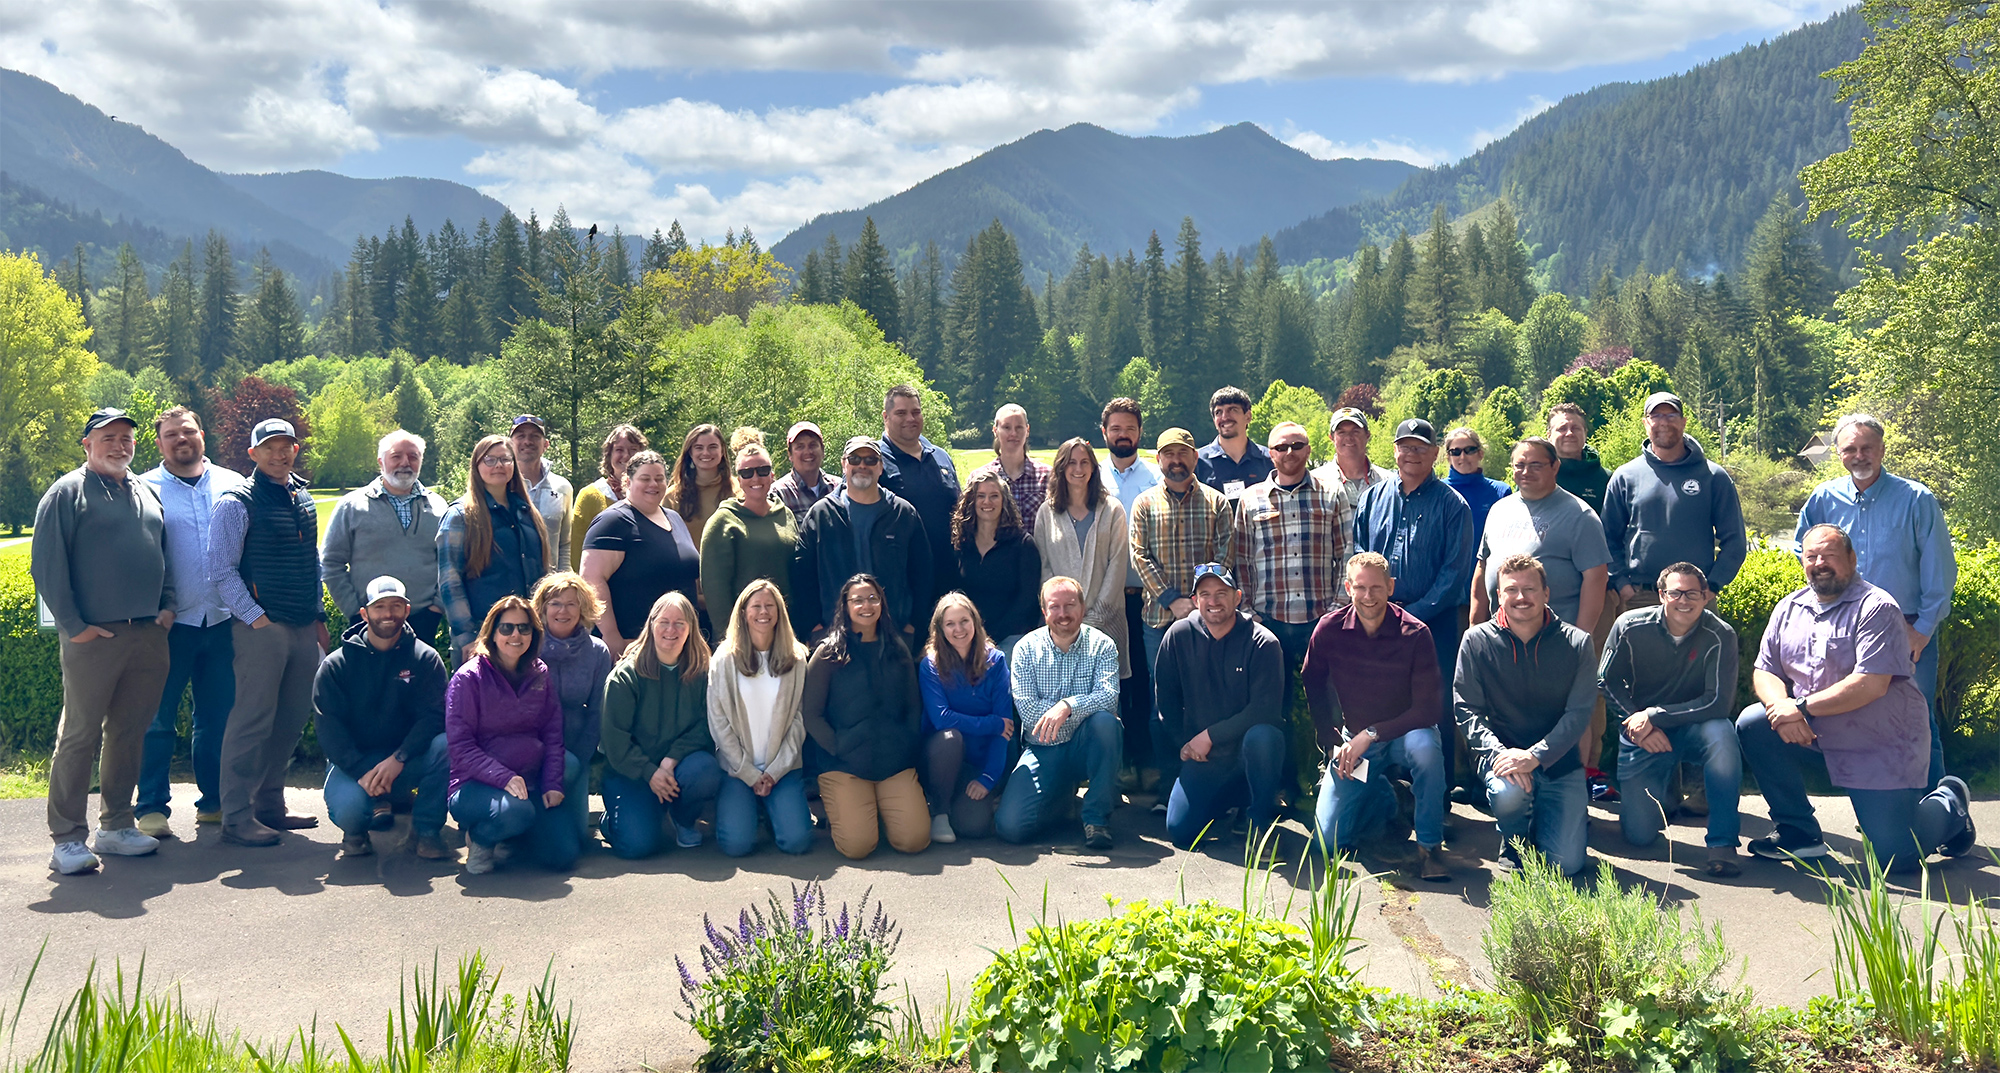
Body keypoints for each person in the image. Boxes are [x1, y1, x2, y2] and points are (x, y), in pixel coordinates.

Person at [1735, 525, 1975, 872]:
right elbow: (1766, 670)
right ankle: (1798, 833)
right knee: (1754, 722)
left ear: (1852, 558)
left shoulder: (1877, 608)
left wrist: (1799, 707)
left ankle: (1950, 801)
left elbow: (1871, 683)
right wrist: (1779, 708)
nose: (1820, 563)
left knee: (1896, 859)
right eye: (1812, 556)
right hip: (1817, 734)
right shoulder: (1789, 608)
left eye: (1830, 555)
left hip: (1879, 746)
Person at [34, 407, 175, 874]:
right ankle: (67, 839)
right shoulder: (66, 493)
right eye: (108, 437)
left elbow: (164, 555)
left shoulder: (146, 491)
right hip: (94, 637)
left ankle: (115, 826)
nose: (120, 445)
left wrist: (167, 605)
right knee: (79, 735)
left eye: (127, 438)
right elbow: (47, 567)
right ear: (87, 444)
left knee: (129, 732)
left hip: (147, 635)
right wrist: (74, 626)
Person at [1796, 414, 1955, 791]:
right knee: (1859, 716)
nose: (1859, 455)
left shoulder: (1916, 499)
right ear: (1838, 454)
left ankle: (1939, 809)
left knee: (1916, 719)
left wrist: (1923, 630)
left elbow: (1940, 570)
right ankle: (1879, 807)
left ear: (1882, 449)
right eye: (1850, 449)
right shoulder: (1823, 498)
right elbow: (1803, 549)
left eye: (1867, 447)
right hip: (1846, 626)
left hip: (1907, 629)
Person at [1600, 392, 1746, 801]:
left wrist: (1710, 588)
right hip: (1640, 598)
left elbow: (1734, 541)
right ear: (1645, 424)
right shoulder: (1626, 476)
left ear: (1683, 421)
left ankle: (1697, 782)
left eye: (1671, 414)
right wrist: (1623, 583)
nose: (1663, 422)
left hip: (1696, 599)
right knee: (1643, 688)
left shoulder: (1713, 476)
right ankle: (1656, 781)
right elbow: (1607, 537)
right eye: (1654, 416)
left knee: (1694, 687)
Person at [211, 417, 328, 847]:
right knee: (252, 721)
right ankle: (236, 816)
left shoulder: (303, 496)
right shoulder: (236, 501)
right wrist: (254, 617)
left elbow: (312, 565)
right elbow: (220, 570)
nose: (280, 454)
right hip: (261, 627)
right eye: (270, 447)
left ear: (295, 449)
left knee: (291, 718)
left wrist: (317, 615)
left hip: (300, 624)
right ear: (253, 453)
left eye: (287, 446)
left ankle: (270, 806)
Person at [134, 405, 245, 836]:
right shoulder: (144, 488)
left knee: (216, 719)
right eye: (170, 435)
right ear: (159, 443)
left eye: (188, 431)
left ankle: (214, 802)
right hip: (167, 626)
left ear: (203, 435)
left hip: (223, 621)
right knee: (157, 718)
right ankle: (151, 807)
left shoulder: (234, 483)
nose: (181, 439)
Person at [1306, 553, 1450, 880]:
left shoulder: (1415, 633)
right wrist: (1331, 743)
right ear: (1347, 588)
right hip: (1356, 742)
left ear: (1390, 587)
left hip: (1405, 735)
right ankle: (1389, 796)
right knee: (1327, 843)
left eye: (1376, 587)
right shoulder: (1330, 629)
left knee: (1426, 750)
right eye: (1360, 587)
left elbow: (1429, 710)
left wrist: (1371, 733)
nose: (1368, 596)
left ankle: (1430, 847)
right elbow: (1312, 683)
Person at [1456, 554, 1598, 876]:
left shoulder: (1577, 644)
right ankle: (1515, 839)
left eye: (1530, 589)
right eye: (1512, 590)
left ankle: (1544, 818)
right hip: (1501, 759)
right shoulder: (1476, 642)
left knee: (1566, 865)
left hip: (1559, 763)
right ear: (1499, 596)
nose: (1521, 597)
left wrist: (1535, 756)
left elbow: (1578, 714)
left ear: (1546, 593)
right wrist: (1501, 754)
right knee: (1509, 797)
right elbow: (1466, 709)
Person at [1354, 418, 1474, 798]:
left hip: (1432, 624)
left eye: (1420, 447)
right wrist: (1375, 608)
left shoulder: (1453, 504)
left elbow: (1454, 572)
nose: (1411, 454)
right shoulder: (1373, 497)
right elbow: (1360, 553)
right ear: (1394, 450)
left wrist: (1413, 615)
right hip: (1376, 620)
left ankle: (1436, 801)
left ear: (1435, 453)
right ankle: (1385, 792)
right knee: (1377, 702)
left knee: (1432, 707)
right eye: (1404, 446)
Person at [1600, 562, 1743, 876]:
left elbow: (1718, 703)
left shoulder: (1721, 635)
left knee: (1723, 734)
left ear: (1706, 596)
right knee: (1639, 836)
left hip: (1695, 730)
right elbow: (1606, 680)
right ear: (1662, 594)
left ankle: (1723, 843)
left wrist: (1654, 716)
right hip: (1644, 736)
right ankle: (1662, 794)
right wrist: (1636, 725)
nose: (1684, 600)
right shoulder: (1629, 625)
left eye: (1693, 593)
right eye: (1676, 592)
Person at [314, 576, 452, 861]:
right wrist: (363, 770)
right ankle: (356, 832)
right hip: (355, 761)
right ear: (365, 613)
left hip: (405, 759)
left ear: (407, 610)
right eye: (380, 607)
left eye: (396, 606)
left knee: (447, 745)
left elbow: (433, 718)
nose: (388, 614)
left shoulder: (426, 659)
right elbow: (329, 728)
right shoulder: (336, 666)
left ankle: (426, 831)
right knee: (351, 811)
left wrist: (399, 758)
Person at [1130, 427, 1234, 790]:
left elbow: (1223, 556)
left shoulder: (1216, 503)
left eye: (1183, 454)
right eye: (1168, 455)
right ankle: (1169, 781)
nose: (1176, 462)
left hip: (1208, 622)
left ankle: (1209, 778)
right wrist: (1172, 600)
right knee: (1163, 703)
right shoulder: (1144, 503)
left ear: (1195, 458)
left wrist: (1197, 603)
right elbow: (1140, 556)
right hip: (1158, 621)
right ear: (1158, 460)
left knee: (1207, 700)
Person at [1155, 564, 1286, 849]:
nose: (1213, 601)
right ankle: (1227, 803)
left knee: (1265, 736)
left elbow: (1264, 709)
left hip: (1248, 753)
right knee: (1180, 832)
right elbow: (1166, 700)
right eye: (1205, 594)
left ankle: (1259, 822)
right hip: (1206, 757)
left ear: (1237, 597)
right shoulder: (1178, 635)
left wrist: (1209, 736)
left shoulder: (1263, 642)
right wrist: (1186, 744)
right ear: (1195, 601)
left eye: (1221, 593)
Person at [445, 597, 579, 874]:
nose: (516, 635)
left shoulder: (540, 674)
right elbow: (460, 746)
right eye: (506, 628)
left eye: (524, 628)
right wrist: (503, 777)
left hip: (529, 781)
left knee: (562, 855)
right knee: (517, 813)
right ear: (492, 633)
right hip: (474, 786)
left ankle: (511, 835)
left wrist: (553, 783)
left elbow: (553, 734)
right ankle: (480, 839)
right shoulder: (468, 678)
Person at [802, 574, 931, 859]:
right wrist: (839, 747)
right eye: (857, 600)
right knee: (857, 846)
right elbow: (811, 715)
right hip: (844, 763)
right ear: (845, 606)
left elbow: (913, 707)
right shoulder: (828, 654)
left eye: (873, 598)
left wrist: (905, 743)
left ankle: (883, 810)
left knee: (914, 840)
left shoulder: (897, 649)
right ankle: (862, 810)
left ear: (882, 604)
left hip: (893, 762)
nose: (866, 606)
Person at [994, 577, 1123, 849]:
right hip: (1043, 749)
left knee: (1106, 724)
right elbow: (1029, 714)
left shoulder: (1103, 645)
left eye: (1070, 605)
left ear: (1083, 607)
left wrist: (1067, 707)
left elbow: (1109, 698)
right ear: (1044, 611)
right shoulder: (1025, 649)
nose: (1063, 614)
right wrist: (1078, 711)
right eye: (1055, 607)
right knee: (1010, 828)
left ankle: (1096, 817)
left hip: (1086, 745)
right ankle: (1061, 798)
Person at [600, 592, 723, 859]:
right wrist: (649, 771)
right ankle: (615, 820)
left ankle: (682, 818)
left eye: (680, 623)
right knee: (638, 846)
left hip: (676, 769)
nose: (671, 629)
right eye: (664, 622)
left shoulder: (702, 672)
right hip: (631, 773)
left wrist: (670, 761)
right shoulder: (624, 678)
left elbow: (707, 725)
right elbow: (614, 742)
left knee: (706, 770)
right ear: (651, 625)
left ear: (691, 628)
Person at [1233, 421, 1352, 697]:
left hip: (1321, 617)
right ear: (1271, 453)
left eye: (1297, 445)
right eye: (1281, 447)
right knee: (1274, 701)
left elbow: (1346, 553)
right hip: (1269, 619)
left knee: (1331, 700)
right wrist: (1249, 613)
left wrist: (1337, 609)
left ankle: (1330, 742)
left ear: (1308, 450)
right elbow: (1242, 561)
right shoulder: (1250, 499)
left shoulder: (1332, 492)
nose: (1290, 452)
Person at [708, 579, 815, 857]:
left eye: (770, 605)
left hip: (781, 769)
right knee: (736, 846)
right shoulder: (723, 660)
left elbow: (800, 721)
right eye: (756, 606)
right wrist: (749, 773)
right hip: (737, 769)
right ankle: (748, 807)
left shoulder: (797, 659)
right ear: (743, 612)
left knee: (797, 843)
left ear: (779, 612)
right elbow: (718, 723)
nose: (763, 612)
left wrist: (774, 771)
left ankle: (772, 811)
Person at [791, 437, 933, 642]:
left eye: (871, 460)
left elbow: (923, 574)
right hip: (835, 636)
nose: (862, 465)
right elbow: (802, 576)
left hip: (894, 636)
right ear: (844, 464)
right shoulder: (821, 515)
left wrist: (913, 626)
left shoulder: (903, 513)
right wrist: (815, 627)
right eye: (855, 459)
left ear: (881, 467)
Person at [321, 430, 449, 649]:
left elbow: (449, 564)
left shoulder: (439, 507)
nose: (405, 462)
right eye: (396, 456)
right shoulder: (352, 506)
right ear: (381, 462)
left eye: (413, 456)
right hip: (368, 625)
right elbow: (331, 563)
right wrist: (354, 611)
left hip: (423, 622)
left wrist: (437, 609)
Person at [1472, 439, 1610, 630]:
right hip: (1500, 637)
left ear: (1555, 466)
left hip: (1554, 638)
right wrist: (1474, 626)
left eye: (1536, 465)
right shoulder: (1499, 510)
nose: (1526, 472)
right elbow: (1482, 565)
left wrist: (1580, 638)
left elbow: (1596, 578)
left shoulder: (1581, 516)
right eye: (1519, 465)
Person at [438, 435, 553, 663]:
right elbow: (449, 581)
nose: (499, 465)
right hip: (482, 638)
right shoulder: (460, 516)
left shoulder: (527, 512)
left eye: (506, 459)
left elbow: (542, 574)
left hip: (527, 637)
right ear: (476, 466)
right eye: (490, 460)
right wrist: (467, 636)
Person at [582, 449, 700, 659]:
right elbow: (591, 580)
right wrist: (612, 637)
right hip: (633, 646)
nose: (653, 484)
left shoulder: (674, 518)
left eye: (659, 478)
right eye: (645, 478)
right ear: (627, 481)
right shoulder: (613, 522)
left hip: (680, 644)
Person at [919, 593, 1013, 843]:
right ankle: (939, 811)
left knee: (974, 827)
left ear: (975, 622)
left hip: (979, 760)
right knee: (951, 737)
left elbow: (1006, 729)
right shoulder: (930, 665)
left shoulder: (996, 661)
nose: (958, 629)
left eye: (964, 621)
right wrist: (992, 723)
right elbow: (941, 719)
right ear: (940, 628)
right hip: (943, 757)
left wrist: (988, 777)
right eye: (950, 624)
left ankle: (980, 798)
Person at [1098, 399, 1159, 784]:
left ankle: (1147, 759)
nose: (1123, 434)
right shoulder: (1091, 476)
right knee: (1112, 682)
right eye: (1115, 428)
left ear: (1140, 432)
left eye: (1130, 428)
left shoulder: (1153, 478)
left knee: (1146, 681)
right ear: (1104, 432)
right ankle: (1116, 763)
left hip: (1146, 597)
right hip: (1105, 599)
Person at [1035, 438, 1131, 684]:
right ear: (1061, 469)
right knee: (1061, 690)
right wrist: (1062, 612)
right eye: (1071, 463)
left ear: (1093, 467)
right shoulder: (1047, 513)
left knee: (1105, 695)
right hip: (1061, 624)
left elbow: (1118, 564)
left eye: (1084, 462)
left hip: (1107, 621)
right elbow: (1044, 567)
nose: (1078, 469)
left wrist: (1094, 618)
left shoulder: (1112, 510)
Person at [532, 572, 612, 841]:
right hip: (532, 744)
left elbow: (598, 711)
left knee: (578, 836)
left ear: (583, 608)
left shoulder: (598, 651)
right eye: (555, 603)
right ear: (543, 608)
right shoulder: (528, 646)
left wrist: (580, 755)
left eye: (571, 604)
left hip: (577, 746)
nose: (562, 611)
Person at [877, 384, 961, 617]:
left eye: (916, 412)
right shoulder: (875, 460)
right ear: (886, 417)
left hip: (948, 578)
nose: (910, 419)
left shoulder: (941, 457)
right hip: (901, 585)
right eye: (901, 413)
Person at [700, 429, 799, 627]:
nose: (755, 478)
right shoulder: (723, 522)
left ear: (772, 475)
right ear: (738, 479)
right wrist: (728, 638)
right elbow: (715, 589)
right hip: (743, 632)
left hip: (785, 629)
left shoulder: (785, 515)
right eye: (747, 473)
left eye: (762, 470)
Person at [952, 470, 1042, 653]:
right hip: (965, 635)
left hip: (1010, 637)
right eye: (981, 496)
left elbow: (1027, 601)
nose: (987, 502)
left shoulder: (1023, 544)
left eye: (994, 496)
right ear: (971, 502)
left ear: (1004, 501)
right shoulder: (961, 544)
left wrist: (990, 638)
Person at [568, 424, 649, 570]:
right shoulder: (590, 496)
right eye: (619, 450)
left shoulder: (651, 496)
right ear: (609, 455)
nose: (626, 456)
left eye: (633, 450)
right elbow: (576, 554)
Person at [510, 415, 573, 572]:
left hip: (549, 587)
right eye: (521, 436)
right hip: (508, 587)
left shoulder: (562, 487)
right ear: (510, 444)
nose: (527, 441)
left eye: (534, 436)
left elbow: (565, 544)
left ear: (546, 445)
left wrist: (562, 583)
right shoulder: (500, 485)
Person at [971, 403, 1051, 523]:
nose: (1013, 433)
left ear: (1027, 430)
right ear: (995, 431)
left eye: (1019, 427)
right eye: (1006, 427)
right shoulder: (979, 478)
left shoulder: (1047, 476)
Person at [1195, 386, 1274, 500]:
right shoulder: (1198, 462)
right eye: (1218, 412)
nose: (1225, 417)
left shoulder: (1268, 459)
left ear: (1248, 416)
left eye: (1232, 410)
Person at [1441, 427, 1511, 553]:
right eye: (1455, 452)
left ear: (1480, 453)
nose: (1463, 457)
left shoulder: (1500, 492)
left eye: (1469, 450)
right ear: (1448, 457)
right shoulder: (1438, 492)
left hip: (1488, 570)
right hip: (1445, 571)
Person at [1311, 408, 1394, 512]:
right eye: (1341, 432)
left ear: (1367, 435)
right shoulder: (1315, 482)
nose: (1349, 437)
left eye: (1355, 432)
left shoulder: (1388, 482)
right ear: (1331, 437)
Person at [665, 423, 728, 552]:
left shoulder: (739, 490)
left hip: (730, 570)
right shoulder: (673, 496)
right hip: (687, 570)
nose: (705, 453)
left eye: (712, 447)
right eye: (699, 448)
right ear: (690, 453)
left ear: (722, 451)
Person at [1547, 403, 1610, 514]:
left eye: (1576, 428)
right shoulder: (1535, 475)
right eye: (1562, 428)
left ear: (1585, 433)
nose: (1569, 433)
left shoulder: (1606, 479)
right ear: (1549, 436)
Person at [770, 421, 842, 516]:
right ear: (790, 454)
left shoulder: (838, 487)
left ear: (823, 450)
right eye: (800, 447)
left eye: (813, 445)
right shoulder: (779, 493)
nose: (808, 452)